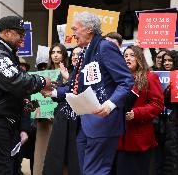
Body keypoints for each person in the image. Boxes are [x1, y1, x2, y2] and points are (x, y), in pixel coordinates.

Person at [42, 12, 134, 175]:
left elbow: (126, 81)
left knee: (95, 171)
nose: (73, 33)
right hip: (86, 124)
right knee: (84, 171)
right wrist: (53, 92)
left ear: (89, 29)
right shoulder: (85, 51)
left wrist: (110, 104)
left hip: (104, 121)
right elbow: (74, 86)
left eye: (75, 29)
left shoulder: (105, 46)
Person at [0, 16, 52, 175]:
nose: (23, 38)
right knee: (1, 169)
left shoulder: (4, 52)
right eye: (20, 33)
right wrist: (41, 81)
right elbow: (15, 80)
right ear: (6, 32)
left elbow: (15, 86)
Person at [116, 45, 164, 175]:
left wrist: (136, 113)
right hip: (119, 139)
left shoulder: (150, 77)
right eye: (125, 56)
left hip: (139, 139)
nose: (128, 58)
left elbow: (157, 104)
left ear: (139, 58)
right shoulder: (118, 79)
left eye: (132, 55)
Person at [42, 46, 81, 175]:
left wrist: (67, 79)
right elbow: (57, 96)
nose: (76, 56)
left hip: (76, 121)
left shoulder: (83, 73)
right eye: (74, 54)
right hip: (59, 118)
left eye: (79, 54)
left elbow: (75, 91)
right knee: (55, 156)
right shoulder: (59, 71)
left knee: (73, 157)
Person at [33, 43, 69, 175]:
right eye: (53, 52)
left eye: (59, 52)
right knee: (42, 153)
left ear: (64, 55)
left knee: (59, 155)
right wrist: (40, 112)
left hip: (61, 119)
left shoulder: (69, 74)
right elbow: (36, 97)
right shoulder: (43, 74)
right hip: (43, 121)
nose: (55, 55)